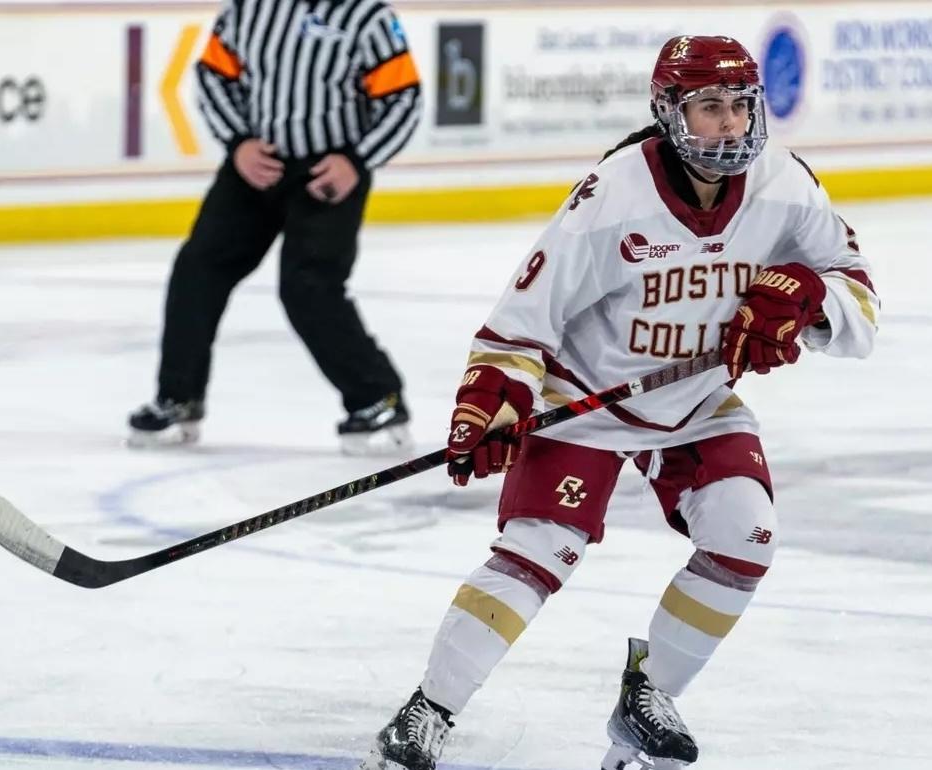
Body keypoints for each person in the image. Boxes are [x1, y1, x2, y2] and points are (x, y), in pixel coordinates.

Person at [359, 35, 880, 770]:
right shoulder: (614, 196)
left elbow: (856, 291)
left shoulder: (783, 183)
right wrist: (493, 399)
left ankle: (648, 701)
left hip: (696, 397)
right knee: (538, 550)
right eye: (708, 108)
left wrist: (807, 298)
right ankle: (426, 712)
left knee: (746, 534)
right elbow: (521, 318)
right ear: (668, 113)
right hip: (585, 396)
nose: (728, 125)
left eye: (739, 106)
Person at [128, 0, 422, 454]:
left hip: (328, 171)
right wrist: (239, 142)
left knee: (309, 286)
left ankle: (377, 398)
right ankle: (178, 398)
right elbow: (213, 75)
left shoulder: (366, 16)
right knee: (198, 268)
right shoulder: (249, 8)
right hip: (255, 164)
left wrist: (357, 161)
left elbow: (403, 97)